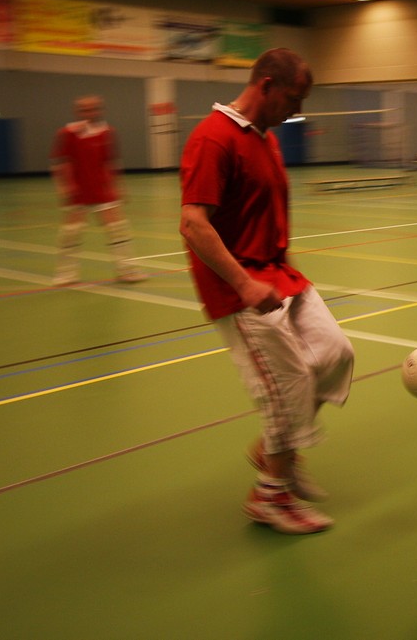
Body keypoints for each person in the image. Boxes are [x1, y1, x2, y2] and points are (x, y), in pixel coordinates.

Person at [179, 48, 354, 535]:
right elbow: (193, 224)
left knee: (335, 353)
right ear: (267, 86)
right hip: (237, 287)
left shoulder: (267, 140)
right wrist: (242, 282)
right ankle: (270, 497)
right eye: (294, 99)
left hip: (278, 275)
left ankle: (274, 452)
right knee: (288, 382)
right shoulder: (213, 137)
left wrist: (284, 274)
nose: (296, 110)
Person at [51, 95, 147, 285]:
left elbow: (111, 162)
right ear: (78, 112)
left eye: (94, 109)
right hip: (78, 192)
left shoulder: (107, 132)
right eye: (85, 110)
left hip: (103, 190)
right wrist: (64, 186)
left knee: (118, 230)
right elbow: (60, 162)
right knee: (71, 233)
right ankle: (66, 274)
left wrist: (119, 186)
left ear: (100, 110)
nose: (90, 113)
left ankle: (127, 271)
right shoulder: (67, 132)